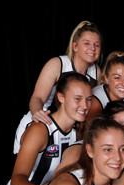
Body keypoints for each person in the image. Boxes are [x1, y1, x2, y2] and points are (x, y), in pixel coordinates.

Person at [0, 72, 93, 185]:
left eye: (88, 99)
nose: (84, 105)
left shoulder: (81, 131)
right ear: (61, 98)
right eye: (78, 99)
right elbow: (17, 179)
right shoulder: (41, 129)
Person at [13, 20, 102, 154]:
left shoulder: (96, 71)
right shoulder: (57, 64)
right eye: (87, 43)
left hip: (69, 130)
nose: (92, 48)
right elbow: (37, 98)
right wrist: (39, 114)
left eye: (97, 45)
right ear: (75, 46)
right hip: (44, 122)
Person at [86, 51, 124, 124]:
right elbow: (86, 132)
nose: (123, 83)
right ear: (106, 79)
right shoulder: (95, 103)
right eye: (117, 78)